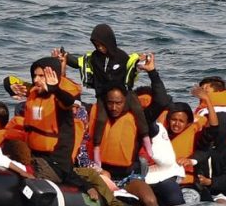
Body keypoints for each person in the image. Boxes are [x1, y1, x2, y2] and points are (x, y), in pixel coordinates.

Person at [54, 23, 153, 167]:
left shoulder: (121, 56)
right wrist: (65, 56)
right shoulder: (93, 58)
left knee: (138, 110)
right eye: (97, 45)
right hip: (104, 95)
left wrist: (141, 61)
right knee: (100, 119)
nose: (100, 48)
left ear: (109, 42)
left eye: (102, 45)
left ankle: (146, 140)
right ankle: (96, 149)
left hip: (123, 92)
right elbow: (78, 62)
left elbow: (133, 65)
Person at [23, 56, 116, 206]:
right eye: (35, 76)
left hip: (55, 163)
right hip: (36, 156)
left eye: (41, 76)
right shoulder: (35, 96)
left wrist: (55, 89)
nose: (36, 80)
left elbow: (67, 101)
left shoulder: (61, 101)